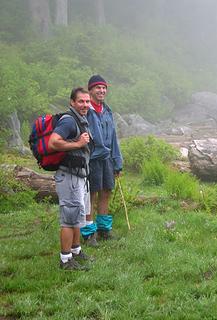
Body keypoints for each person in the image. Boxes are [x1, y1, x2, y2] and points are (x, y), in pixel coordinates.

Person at [48, 87, 92, 270]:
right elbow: (53, 142)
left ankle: (76, 251)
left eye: (87, 101)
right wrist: (78, 143)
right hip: (69, 176)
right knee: (69, 218)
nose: (85, 105)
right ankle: (65, 260)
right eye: (81, 101)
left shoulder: (80, 119)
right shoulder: (68, 121)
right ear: (72, 102)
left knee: (77, 216)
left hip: (79, 176)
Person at [80, 75, 123, 246]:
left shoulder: (107, 110)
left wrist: (117, 161)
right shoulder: (86, 110)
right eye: (98, 88)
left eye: (104, 88)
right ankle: (89, 233)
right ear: (90, 90)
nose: (102, 91)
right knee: (91, 194)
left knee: (106, 191)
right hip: (92, 159)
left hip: (107, 159)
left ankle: (104, 230)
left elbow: (113, 137)